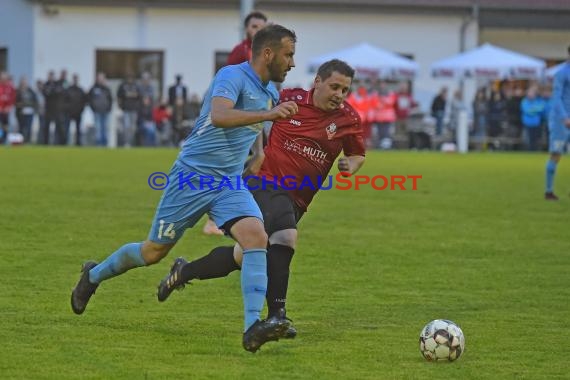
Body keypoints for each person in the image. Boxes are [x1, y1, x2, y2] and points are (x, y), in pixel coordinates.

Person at [71, 24, 298, 353]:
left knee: (256, 237)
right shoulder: (232, 77)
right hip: (192, 177)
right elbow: (220, 116)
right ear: (268, 53)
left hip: (227, 182)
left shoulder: (270, 91)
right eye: (288, 54)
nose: (291, 62)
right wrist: (268, 114)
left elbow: (257, 127)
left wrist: (260, 150)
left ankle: (252, 327)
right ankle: (93, 276)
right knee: (152, 252)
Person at [156, 59, 365, 341]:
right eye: (334, 86)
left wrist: (350, 165)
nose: (339, 94)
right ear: (317, 81)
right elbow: (254, 118)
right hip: (264, 182)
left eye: (345, 89)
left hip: (297, 199)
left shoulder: (348, 119)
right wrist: (255, 151)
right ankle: (277, 315)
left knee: (245, 256)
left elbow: (357, 153)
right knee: (286, 237)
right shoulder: (288, 98)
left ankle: (183, 272)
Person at [202, 10, 269, 236]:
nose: (257, 30)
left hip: (256, 120)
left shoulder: (268, 55)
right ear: (246, 29)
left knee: (259, 160)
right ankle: (214, 218)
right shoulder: (240, 52)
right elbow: (228, 84)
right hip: (238, 120)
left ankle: (236, 210)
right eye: (253, 26)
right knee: (230, 167)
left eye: (261, 27)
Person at [545, 46, 570, 200]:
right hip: (562, 122)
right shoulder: (561, 74)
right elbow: (556, 98)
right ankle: (549, 191)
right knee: (556, 154)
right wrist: (564, 117)